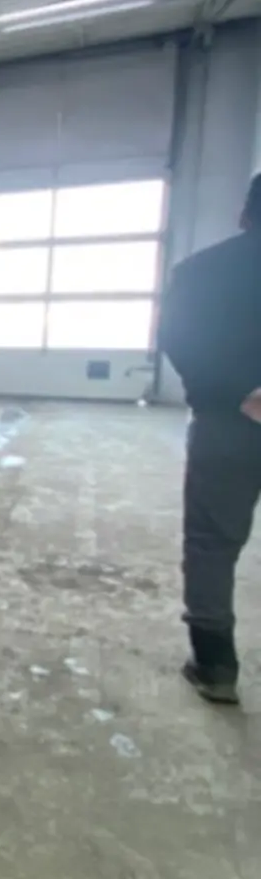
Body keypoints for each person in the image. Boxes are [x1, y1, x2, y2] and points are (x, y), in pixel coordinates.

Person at [158, 172, 261, 705]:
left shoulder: (201, 271)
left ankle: (216, 664)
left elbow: (178, 337)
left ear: (244, 214)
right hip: (230, 414)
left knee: (212, 544)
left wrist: (241, 391)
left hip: (228, 422)